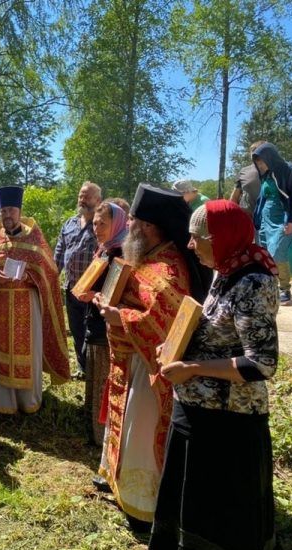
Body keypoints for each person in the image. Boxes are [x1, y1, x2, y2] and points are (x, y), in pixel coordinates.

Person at [145, 200, 290, 550]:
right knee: (194, 505)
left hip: (228, 421)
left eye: (197, 238)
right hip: (200, 414)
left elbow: (261, 363)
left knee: (220, 516)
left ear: (221, 238)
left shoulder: (254, 281)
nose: (190, 245)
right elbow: (214, 331)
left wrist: (190, 367)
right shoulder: (226, 270)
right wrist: (176, 346)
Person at [94, 184, 208, 529]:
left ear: (150, 227)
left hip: (150, 369)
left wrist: (120, 317)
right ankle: (115, 480)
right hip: (129, 361)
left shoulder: (170, 269)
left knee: (141, 431)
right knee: (125, 424)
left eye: (135, 222)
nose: (129, 226)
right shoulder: (147, 256)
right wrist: (107, 303)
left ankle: (141, 504)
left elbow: (167, 324)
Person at [0, 186, 70, 414]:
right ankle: (0, 400)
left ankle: (27, 400)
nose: (8, 215)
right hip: (0, 303)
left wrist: (30, 276)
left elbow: (49, 272)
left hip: (28, 304)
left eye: (12, 210)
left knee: (29, 351)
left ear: (19, 211)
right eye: (4, 210)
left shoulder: (34, 237)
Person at [74, 202, 127, 447]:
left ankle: (105, 436)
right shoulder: (104, 250)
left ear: (116, 223)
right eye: (95, 223)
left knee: (105, 382)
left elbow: (119, 294)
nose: (97, 228)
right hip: (93, 322)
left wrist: (94, 296)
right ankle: (93, 432)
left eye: (103, 223)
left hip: (107, 328)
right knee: (94, 378)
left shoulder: (121, 253)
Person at [53, 181, 102, 379]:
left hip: (92, 291)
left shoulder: (101, 225)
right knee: (76, 330)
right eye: (81, 195)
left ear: (98, 200)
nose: (83, 200)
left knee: (91, 332)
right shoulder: (70, 223)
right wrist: (51, 276)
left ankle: (93, 370)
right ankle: (83, 367)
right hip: (71, 288)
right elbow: (59, 251)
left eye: (88, 196)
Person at [252, 142, 292, 304]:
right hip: (266, 220)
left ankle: (285, 289)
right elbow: (262, 199)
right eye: (257, 162)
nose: (259, 165)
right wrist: (257, 219)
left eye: (261, 161)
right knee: (266, 255)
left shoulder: (289, 169)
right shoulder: (266, 175)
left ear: (270, 157)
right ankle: (271, 288)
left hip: (283, 219)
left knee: (278, 253)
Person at [230, 141, 265, 217]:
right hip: (246, 218)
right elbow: (234, 197)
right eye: (251, 151)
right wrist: (231, 216)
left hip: (268, 221)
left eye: (255, 150)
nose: (252, 154)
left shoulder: (275, 171)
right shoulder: (244, 171)